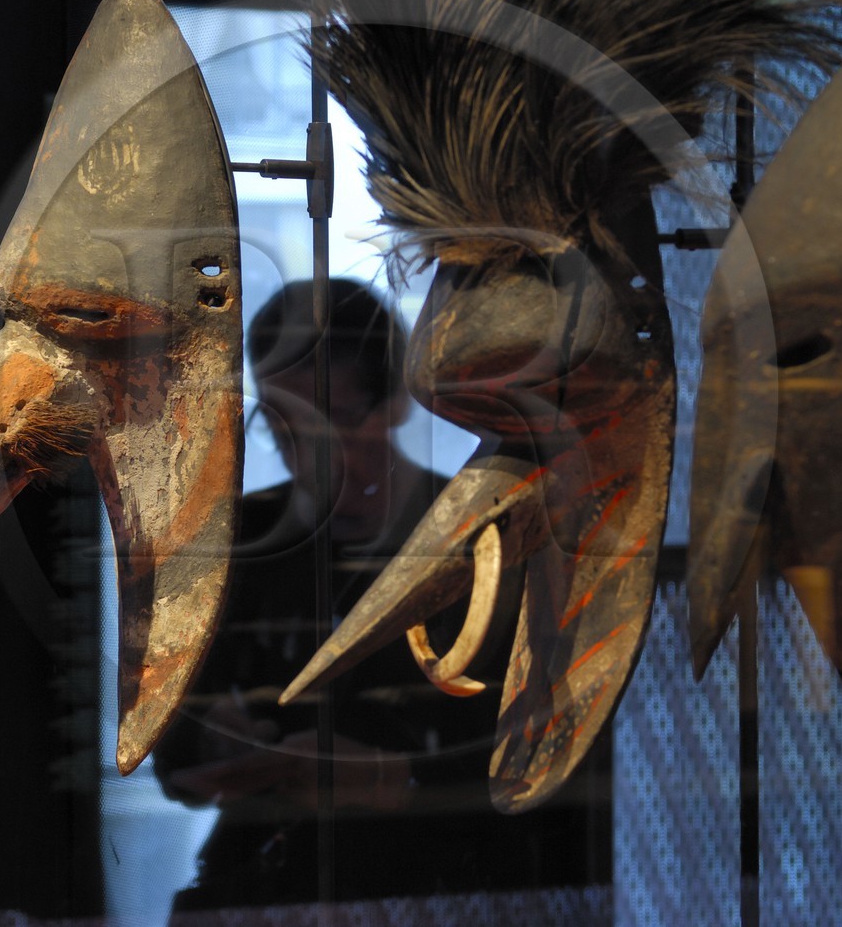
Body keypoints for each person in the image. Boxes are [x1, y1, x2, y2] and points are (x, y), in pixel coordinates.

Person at [155, 278, 608, 910]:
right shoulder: (241, 544)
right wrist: (214, 741)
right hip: (278, 881)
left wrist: (398, 781)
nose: (311, 456)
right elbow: (168, 753)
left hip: (453, 884)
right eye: (284, 426)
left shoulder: (493, 538)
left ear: (396, 402)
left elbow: (570, 756)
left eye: (335, 421)